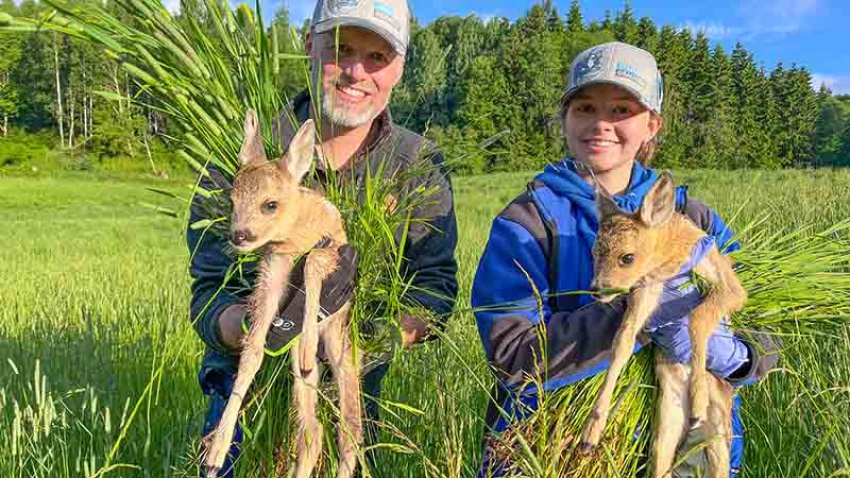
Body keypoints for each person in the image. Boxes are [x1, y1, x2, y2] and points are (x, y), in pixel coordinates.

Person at [471, 42, 779, 477]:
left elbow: (766, 329)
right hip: (550, 452)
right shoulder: (527, 223)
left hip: (689, 455)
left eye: (621, 111)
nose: (601, 124)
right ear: (565, 118)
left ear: (652, 124)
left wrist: (731, 354)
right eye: (584, 108)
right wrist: (633, 316)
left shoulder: (694, 222)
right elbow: (511, 354)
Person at [187, 0, 459, 476]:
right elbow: (208, 286)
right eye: (341, 49)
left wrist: (372, 338)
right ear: (308, 45)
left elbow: (434, 287)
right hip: (242, 400)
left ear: (399, 68)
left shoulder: (417, 164)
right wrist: (250, 326)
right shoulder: (245, 166)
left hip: (349, 401)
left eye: (377, 57)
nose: (356, 72)